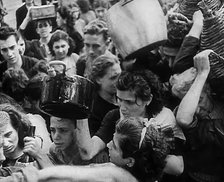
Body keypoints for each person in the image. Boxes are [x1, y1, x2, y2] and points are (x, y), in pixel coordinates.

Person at [76, 69, 185, 176]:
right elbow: (88, 152)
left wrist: (142, 144)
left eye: (129, 102)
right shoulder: (114, 116)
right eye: (119, 99)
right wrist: (81, 112)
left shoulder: (164, 118)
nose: (122, 108)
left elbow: (178, 168)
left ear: (148, 100)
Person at [28, 117, 171, 182]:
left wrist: (40, 156)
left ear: (130, 161)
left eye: (114, 146)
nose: (108, 145)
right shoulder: (112, 168)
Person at [176, 50, 224, 182]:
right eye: (192, 102)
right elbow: (184, 119)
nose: (196, 110)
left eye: (200, 99)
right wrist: (201, 75)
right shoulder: (189, 116)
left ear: (208, 90)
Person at [87, 54, 121, 135]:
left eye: (120, 75)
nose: (119, 81)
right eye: (113, 77)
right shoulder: (92, 109)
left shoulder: (124, 95)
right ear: (98, 79)